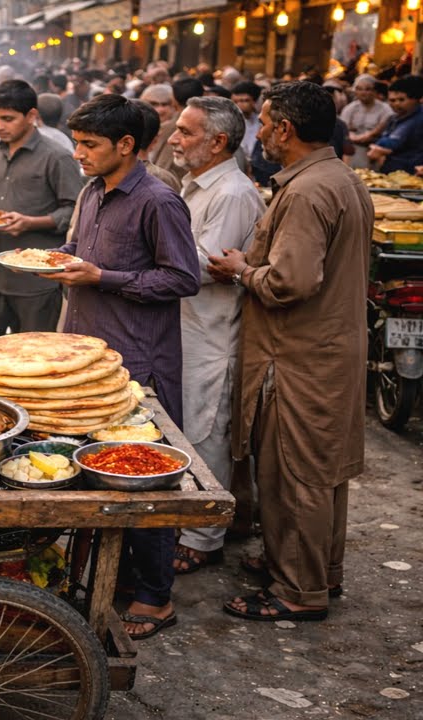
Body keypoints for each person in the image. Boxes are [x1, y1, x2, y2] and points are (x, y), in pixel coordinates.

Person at [211, 81, 372, 623]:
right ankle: (317, 568)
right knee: (320, 470)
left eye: (263, 122)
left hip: (300, 355)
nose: (258, 133)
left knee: (294, 471)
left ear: (285, 129)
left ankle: (298, 591)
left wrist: (241, 270)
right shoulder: (338, 176)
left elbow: (290, 282)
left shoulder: (306, 191)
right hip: (328, 349)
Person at [49, 94, 200, 640]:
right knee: (99, 472)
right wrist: (63, 259)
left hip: (140, 363)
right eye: (77, 142)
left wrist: (101, 277)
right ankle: (118, 578)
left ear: (126, 145)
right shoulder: (93, 191)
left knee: (145, 477)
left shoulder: (159, 201)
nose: (79, 154)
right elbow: (83, 249)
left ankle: (156, 597)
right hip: (89, 357)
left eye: (89, 144)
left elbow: (183, 278)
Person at [165, 96, 264, 574]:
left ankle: (204, 538)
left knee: (207, 432)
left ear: (218, 141)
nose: (174, 139)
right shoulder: (199, 186)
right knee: (190, 427)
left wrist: (145, 260)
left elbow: (205, 265)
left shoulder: (232, 192)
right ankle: (199, 521)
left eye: (185, 132)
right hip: (188, 327)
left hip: (212, 334)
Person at [0, 80, 82, 339]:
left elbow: (75, 212)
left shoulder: (56, 156)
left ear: (32, 116)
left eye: (8, 119)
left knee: (35, 352)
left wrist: (32, 222)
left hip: (36, 281)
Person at [368, 75, 423, 174]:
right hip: (390, 172)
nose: (396, 104)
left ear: (416, 99)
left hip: (412, 176)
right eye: (392, 100)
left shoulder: (420, 119)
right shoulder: (393, 119)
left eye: (401, 100)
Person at [341, 74, 392, 169]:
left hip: (375, 150)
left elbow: (386, 129)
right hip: (354, 151)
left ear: (375, 91)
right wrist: (353, 137)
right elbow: (344, 130)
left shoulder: (385, 109)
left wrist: (369, 135)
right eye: (359, 89)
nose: (363, 93)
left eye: (368, 89)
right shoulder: (349, 109)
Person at [231, 81, 263, 157]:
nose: (238, 105)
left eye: (244, 101)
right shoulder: (229, 123)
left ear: (254, 102)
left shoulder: (261, 122)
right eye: (235, 101)